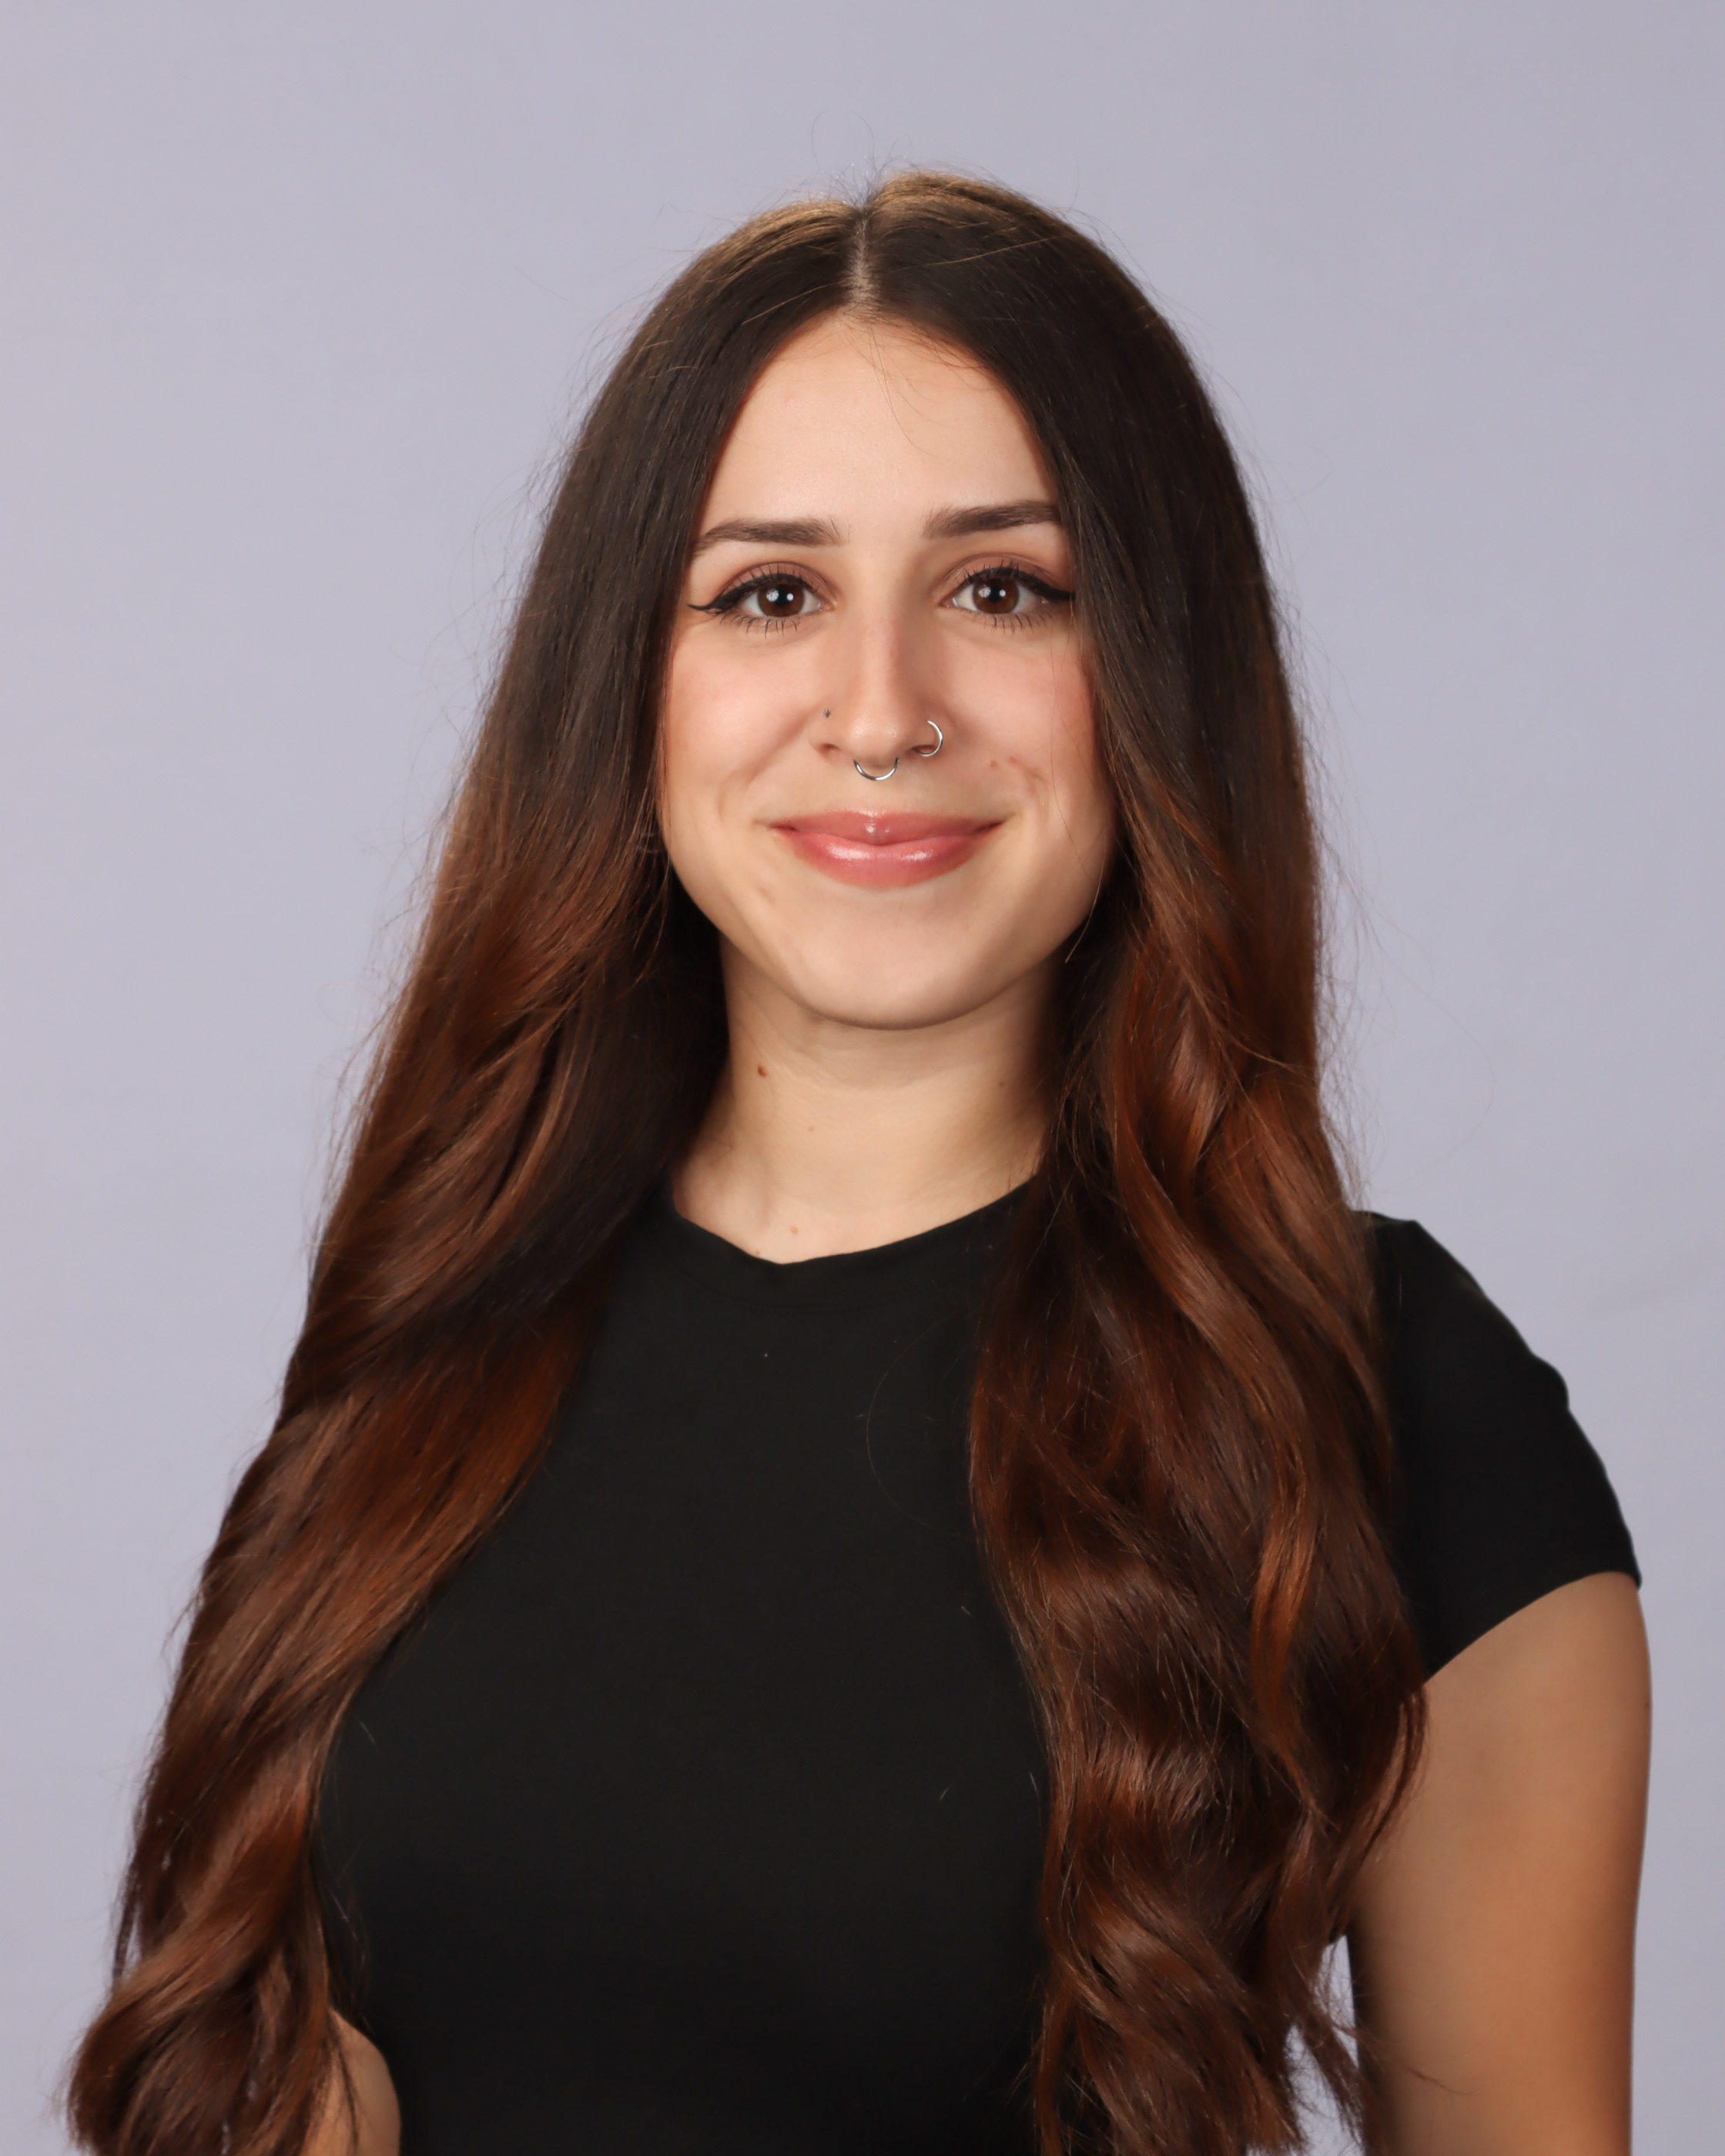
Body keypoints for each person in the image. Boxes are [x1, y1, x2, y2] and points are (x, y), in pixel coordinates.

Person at [67, 173, 1648, 2156]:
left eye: (1003, 589)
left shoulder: (1389, 1394)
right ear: (626, 683)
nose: (883, 713)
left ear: (1156, 667)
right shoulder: (433, 1337)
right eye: (769, 594)